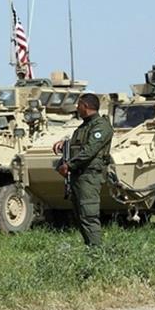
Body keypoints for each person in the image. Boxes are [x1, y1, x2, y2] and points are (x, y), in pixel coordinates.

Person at [53, 93, 113, 246]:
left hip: (89, 177)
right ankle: (90, 247)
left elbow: (90, 149)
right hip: (78, 177)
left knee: (89, 214)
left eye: (78, 105)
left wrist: (69, 165)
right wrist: (64, 144)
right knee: (79, 215)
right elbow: (77, 147)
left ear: (85, 106)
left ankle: (96, 252)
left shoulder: (101, 126)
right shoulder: (83, 127)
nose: (76, 108)